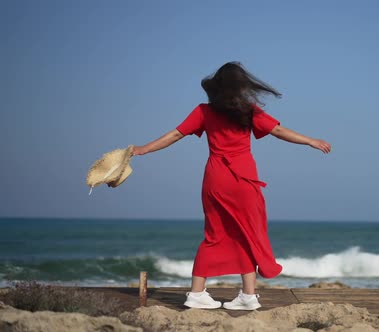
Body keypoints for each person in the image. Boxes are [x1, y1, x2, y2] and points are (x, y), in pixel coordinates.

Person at [132, 62, 331, 310]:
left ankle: (197, 293)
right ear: (241, 86)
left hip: (217, 179)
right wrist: (311, 141)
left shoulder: (204, 112)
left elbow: (175, 135)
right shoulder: (248, 111)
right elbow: (278, 131)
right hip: (244, 179)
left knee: (214, 234)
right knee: (247, 233)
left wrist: (143, 149)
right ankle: (248, 296)